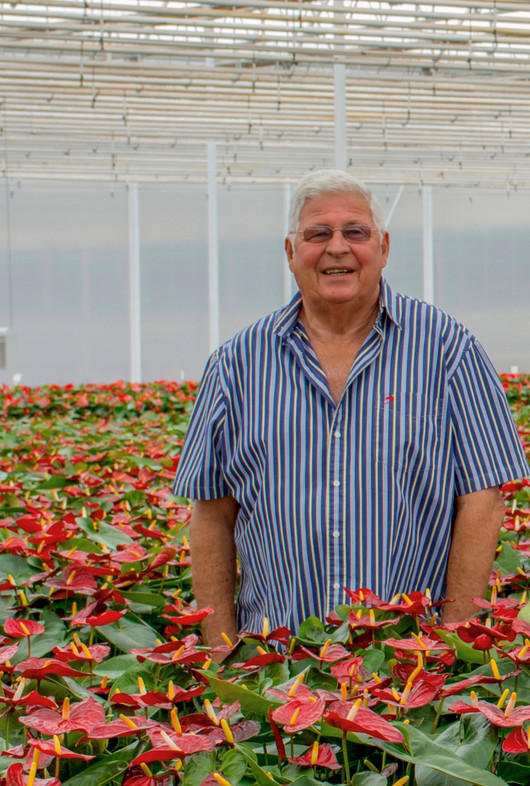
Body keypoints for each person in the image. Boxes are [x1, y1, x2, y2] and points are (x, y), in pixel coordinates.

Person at [173, 169, 529, 647]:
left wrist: (452, 642)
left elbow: (483, 499)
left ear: (383, 247)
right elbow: (212, 512)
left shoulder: (448, 349)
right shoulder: (236, 364)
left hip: (406, 661)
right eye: (318, 234)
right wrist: (221, 650)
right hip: (276, 668)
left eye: (355, 233)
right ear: (290, 252)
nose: (337, 247)